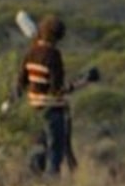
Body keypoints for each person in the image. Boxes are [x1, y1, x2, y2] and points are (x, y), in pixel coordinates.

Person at [13, 14, 77, 176]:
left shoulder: (31, 53)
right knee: (54, 152)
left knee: (37, 149)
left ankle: (34, 183)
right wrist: (73, 86)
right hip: (52, 110)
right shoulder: (54, 55)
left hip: (33, 109)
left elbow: (22, 81)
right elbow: (56, 88)